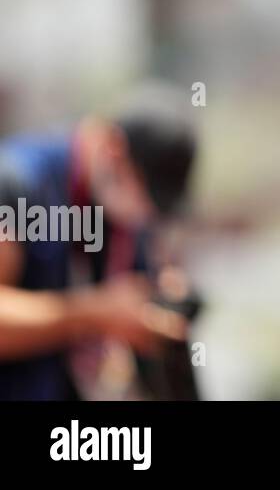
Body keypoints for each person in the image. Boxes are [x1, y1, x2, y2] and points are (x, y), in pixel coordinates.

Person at [0, 88, 196, 399]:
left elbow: (135, 291)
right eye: (143, 192)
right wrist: (93, 314)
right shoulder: (19, 181)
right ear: (113, 151)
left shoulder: (119, 212)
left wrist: (158, 304)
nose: (142, 212)